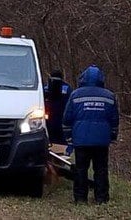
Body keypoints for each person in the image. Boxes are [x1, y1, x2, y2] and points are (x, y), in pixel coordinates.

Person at [62, 64, 119, 204]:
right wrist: (112, 136)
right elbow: (114, 119)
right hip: (101, 140)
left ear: (83, 78)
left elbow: (67, 118)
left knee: (81, 169)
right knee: (101, 169)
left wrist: (68, 136)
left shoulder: (75, 95)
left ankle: (80, 198)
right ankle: (102, 198)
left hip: (81, 140)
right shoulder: (109, 96)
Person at [43, 70, 72, 147]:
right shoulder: (67, 88)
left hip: (48, 118)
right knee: (61, 140)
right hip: (62, 118)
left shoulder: (46, 87)